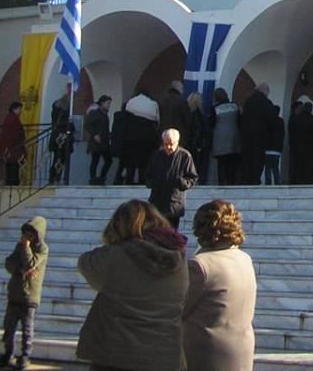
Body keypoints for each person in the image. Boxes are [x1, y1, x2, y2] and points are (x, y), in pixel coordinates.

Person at [76, 199, 188, 371]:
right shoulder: (180, 262)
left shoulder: (115, 256)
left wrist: (117, 243)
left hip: (116, 354)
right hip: (165, 353)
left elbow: (85, 263)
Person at [183, 199, 257, 371]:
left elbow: (179, 308)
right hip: (242, 351)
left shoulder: (200, 265)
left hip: (206, 355)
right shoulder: (244, 258)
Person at [0, 216, 48, 370]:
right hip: (14, 292)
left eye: (31, 234)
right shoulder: (19, 246)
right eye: (26, 233)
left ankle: (25, 355)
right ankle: (8, 354)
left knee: (27, 328)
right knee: (9, 327)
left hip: (29, 295)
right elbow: (9, 263)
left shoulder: (42, 249)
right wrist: (20, 270)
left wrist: (26, 248)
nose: (27, 237)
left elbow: (31, 263)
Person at [146, 128, 198, 230]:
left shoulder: (185, 156)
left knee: (171, 233)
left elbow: (192, 178)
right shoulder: (157, 155)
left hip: (174, 204)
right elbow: (149, 175)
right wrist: (153, 183)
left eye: (171, 144)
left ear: (177, 142)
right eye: (166, 144)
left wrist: (180, 182)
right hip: (157, 202)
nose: (168, 147)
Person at [240, 82, 280, 184]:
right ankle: (255, 179)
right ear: (264, 91)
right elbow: (272, 120)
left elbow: (243, 118)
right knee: (258, 159)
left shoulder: (248, 102)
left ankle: (246, 179)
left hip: (246, 136)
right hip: (260, 137)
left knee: (247, 158)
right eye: (268, 91)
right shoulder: (266, 102)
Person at [125, 88, 160, 184]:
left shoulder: (130, 103)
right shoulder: (153, 104)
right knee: (144, 163)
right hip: (147, 139)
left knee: (131, 162)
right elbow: (157, 121)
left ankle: (129, 180)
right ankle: (143, 181)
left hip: (131, 138)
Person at [209, 87, 242, 185]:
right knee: (232, 163)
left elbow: (211, 123)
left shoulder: (215, 108)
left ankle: (222, 184)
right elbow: (239, 121)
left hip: (219, 139)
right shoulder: (234, 106)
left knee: (221, 164)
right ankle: (231, 183)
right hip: (234, 138)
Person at [289, 97, 313, 184]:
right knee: (309, 165)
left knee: (298, 164)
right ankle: (308, 181)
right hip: (310, 146)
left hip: (298, 146)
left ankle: (297, 180)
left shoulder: (296, 118)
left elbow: (292, 132)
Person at [84, 95, 112, 185]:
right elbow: (87, 125)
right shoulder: (95, 113)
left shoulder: (104, 114)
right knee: (95, 160)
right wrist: (95, 134)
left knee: (108, 160)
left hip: (104, 141)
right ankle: (93, 179)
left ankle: (101, 178)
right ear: (102, 103)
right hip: (96, 142)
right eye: (108, 103)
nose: (109, 105)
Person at [0, 101, 26, 186]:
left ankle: (10, 182)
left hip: (10, 146)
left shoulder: (9, 117)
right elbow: (14, 132)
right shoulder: (13, 118)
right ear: (14, 109)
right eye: (19, 109)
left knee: (11, 165)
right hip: (13, 147)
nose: (20, 111)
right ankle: (12, 183)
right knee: (13, 166)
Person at [48, 90, 74, 184]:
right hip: (61, 137)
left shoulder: (56, 111)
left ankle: (55, 177)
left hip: (59, 136)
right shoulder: (62, 112)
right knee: (60, 158)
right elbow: (63, 124)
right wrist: (70, 123)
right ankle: (55, 177)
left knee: (59, 158)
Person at [187, 91, 211, 185]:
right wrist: (199, 145)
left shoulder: (188, 113)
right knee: (196, 166)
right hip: (196, 145)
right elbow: (198, 130)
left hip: (189, 143)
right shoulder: (198, 114)